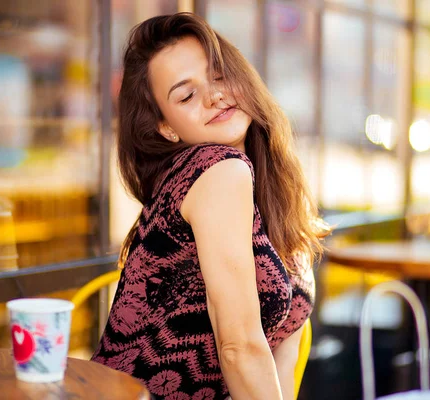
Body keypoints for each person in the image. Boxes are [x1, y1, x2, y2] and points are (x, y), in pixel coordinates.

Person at [91, 12, 329, 400]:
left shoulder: (273, 197)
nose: (214, 95)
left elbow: (277, 356)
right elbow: (239, 350)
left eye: (219, 75)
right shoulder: (216, 170)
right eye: (186, 95)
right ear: (166, 127)